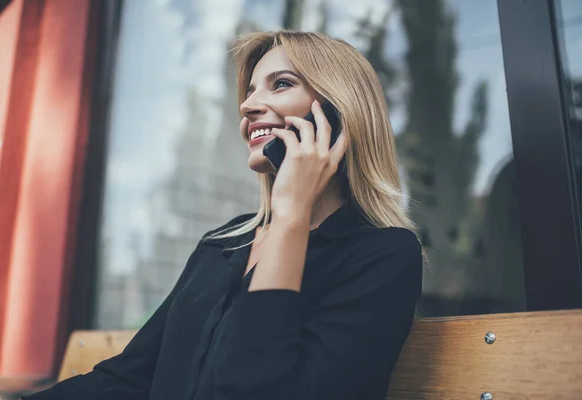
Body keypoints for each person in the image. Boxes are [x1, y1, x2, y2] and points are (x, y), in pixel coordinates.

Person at [23, 30, 423, 400]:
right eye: (248, 92)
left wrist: (291, 216)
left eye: (280, 84)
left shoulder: (383, 254)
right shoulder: (227, 241)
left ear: (338, 113)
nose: (247, 106)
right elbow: (131, 377)